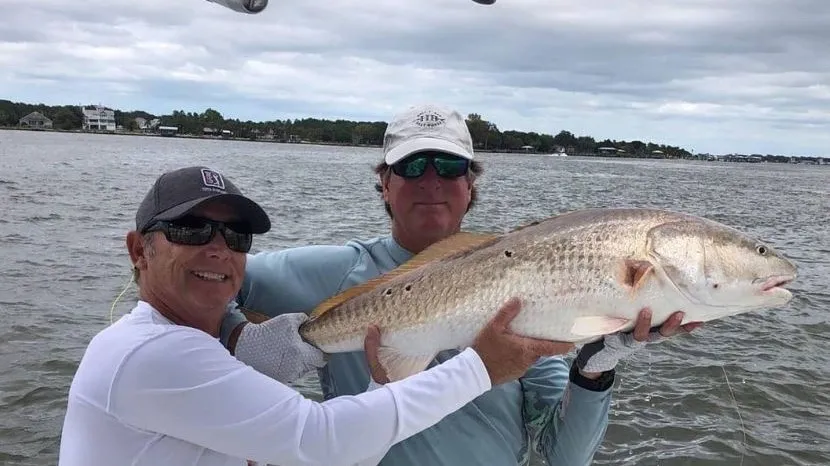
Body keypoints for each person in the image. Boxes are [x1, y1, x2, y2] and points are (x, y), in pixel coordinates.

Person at [220, 104, 703, 465]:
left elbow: (563, 456)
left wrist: (595, 366)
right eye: (412, 166)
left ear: (470, 185)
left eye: (449, 167)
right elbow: (206, 281)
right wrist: (243, 344)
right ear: (384, 183)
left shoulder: (533, 279)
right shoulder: (333, 272)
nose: (431, 180)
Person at [57, 166, 576, 466]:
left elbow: (340, 451)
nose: (218, 249)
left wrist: (383, 383)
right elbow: (322, 441)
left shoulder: (176, 347)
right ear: (138, 250)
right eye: (190, 230)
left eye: (236, 236)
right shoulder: (154, 353)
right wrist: (481, 367)